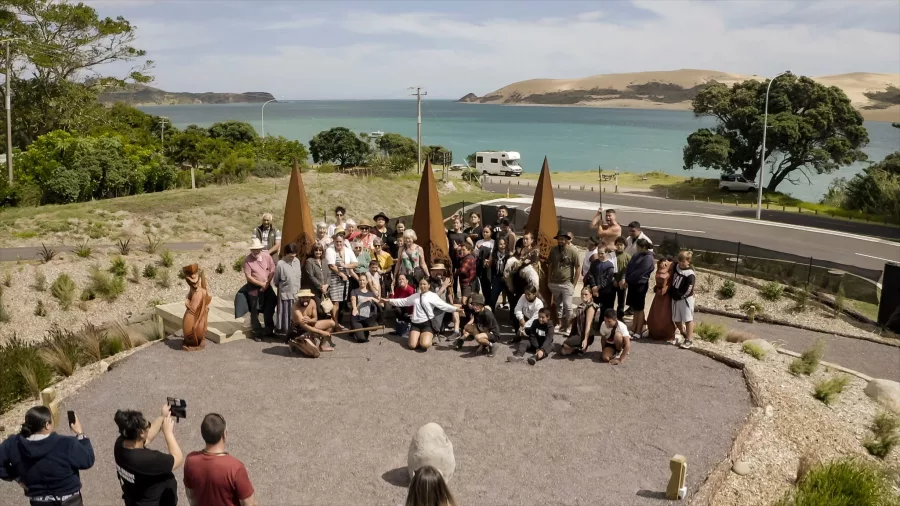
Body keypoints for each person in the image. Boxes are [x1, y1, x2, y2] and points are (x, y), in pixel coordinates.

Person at [0, 406, 94, 506]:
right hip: (70, 501)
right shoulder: (67, 443)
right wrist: (80, 434)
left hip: (38, 502)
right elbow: (88, 460)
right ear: (47, 425)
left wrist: (17, 477)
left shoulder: (13, 443)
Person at [113, 405, 183, 506]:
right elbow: (178, 458)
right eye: (148, 426)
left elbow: (148, 437)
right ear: (141, 433)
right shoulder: (147, 459)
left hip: (134, 499)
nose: (149, 428)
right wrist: (168, 433)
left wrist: (162, 417)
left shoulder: (120, 444)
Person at [183, 414, 256, 506]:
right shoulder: (235, 468)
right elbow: (250, 504)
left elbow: (191, 495)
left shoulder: (190, 461)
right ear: (224, 435)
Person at [383, 277, 462, 351]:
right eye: (421, 284)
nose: (422, 286)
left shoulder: (432, 296)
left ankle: (430, 336)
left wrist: (456, 309)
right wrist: (388, 301)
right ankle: (421, 336)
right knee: (412, 346)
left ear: (428, 285)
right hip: (415, 323)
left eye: (424, 284)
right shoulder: (415, 296)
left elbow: (443, 306)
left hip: (427, 324)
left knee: (424, 345)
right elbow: (403, 301)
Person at [242, 238, 276, 339]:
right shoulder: (247, 260)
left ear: (261, 249)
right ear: (251, 250)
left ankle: (269, 329)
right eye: (253, 249)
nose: (256, 251)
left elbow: (272, 269)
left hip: (267, 285)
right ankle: (256, 332)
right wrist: (261, 284)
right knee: (254, 310)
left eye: (257, 249)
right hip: (254, 287)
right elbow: (249, 277)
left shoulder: (267, 256)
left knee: (271, 304)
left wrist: (267, 283)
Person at [622, 238, 655, 340]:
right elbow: (629, 267)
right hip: (632, 284)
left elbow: (640, 272)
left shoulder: (649, 258)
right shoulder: (637, 255)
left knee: (640, 308)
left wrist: (628, 279)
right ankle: (633, 328)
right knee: (634, 308)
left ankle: (638, 330)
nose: (636, 248)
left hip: (640, 284)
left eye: (638, 247)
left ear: (644, 247)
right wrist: (625, 277)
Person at [547, 231, 580, 333]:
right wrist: (549, 280)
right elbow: (550, 265)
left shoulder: (573, 251)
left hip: (567, 283)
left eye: (562, 239)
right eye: (559, 239)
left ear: (567, 239)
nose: (560, 241)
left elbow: (578, 267)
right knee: (558, 305)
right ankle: (559, 324)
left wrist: (573, 284)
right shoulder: (553, 250)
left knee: (568, 306)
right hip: (554, 282)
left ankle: (569, 326)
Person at [326, 233, 358, 327]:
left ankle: (336, 322)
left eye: (340, 241)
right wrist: (341, 274)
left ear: (344, 241)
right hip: (334, 278)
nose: (339, 243)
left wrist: (345, 266)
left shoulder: (348, 250)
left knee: (341, 302)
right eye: (337, 241)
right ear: (334, 242)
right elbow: (331, 266)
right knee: (335, 301)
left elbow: (355, 263)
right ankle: (335, 324)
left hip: (345, 278)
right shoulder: (330, 250)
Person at [289, 289, 336, 355]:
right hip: (299, 331)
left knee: (332, 323)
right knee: (315, 354)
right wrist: (321, 332)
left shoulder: (312, 302)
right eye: (303, 297)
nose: (305, 299)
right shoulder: (295, 307)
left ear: (310, 297)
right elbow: (304, 326)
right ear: (299, 298)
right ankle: (294, 342)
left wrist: (310, 320)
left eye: (307, 297)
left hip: (310, 326)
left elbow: (315, 319)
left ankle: (321, 346)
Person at [273, 242, 302, 338]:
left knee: (295, 316)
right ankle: (285, 334)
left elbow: (299, 277)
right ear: (286, 254)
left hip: (296, 293)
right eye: (290, 256)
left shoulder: (297, 261)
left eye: (294, 256)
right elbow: (276, 281)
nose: (292, 258)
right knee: (286, 315)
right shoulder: (280, 264)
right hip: (285, 294)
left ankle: (294, 334)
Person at [561, 287, 598, 356]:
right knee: (563, 351)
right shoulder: (581, 306)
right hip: (578, 332)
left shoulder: (591, 307)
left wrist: (585, 339)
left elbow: (588, 324)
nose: (583, 296)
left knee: (565, 344)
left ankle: (581, 346)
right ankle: (579, 348)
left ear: (590, 295)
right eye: (582, 294)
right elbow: (574, 319)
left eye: (586, 294)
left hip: (584, 335)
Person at [647, 257, 676, 342]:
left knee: (665, 315)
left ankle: (666, 333)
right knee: (656, 314)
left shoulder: (671, 268)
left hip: (666, 295)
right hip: (659, 295)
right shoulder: (661, 267)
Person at [671, 251, 697, 349]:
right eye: (680, 261)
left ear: (689, 262)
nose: (682, 263)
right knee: (676, 319)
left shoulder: (690, 274)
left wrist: (681, 296)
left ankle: (689, 340)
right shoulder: (677, 267)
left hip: (685, 300)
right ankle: (683, 332)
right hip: (675, 299)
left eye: (684, 261)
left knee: (688, 319)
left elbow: (689, 288)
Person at [350, 273, 380, 343]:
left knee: (375, 327)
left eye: (363, 280)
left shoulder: (370, 293)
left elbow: (380, 303)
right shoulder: (354, 291)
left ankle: (363, 327)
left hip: (366, 317)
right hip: (356, 318)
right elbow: (353, 299)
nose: (362, 282)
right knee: (361, 340)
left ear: (367, 282)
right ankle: (354, 328)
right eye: (360, 280)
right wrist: (354, 308)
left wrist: (372, 298)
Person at [586, 246, 616, 314]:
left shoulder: (609, 265)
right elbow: (591, 275)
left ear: (606, 253)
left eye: (602, 253)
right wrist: (593, 286)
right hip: (594, 290)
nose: (600, 255)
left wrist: (599, 287)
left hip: (605, 291)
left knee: (604, 310)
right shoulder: (594, 263)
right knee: (592, 308)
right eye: (598, 253)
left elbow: (608, 279)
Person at [302, 244, 330, 312]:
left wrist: (327, 285)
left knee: (327, 309)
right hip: (315, 291)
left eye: (320, 250)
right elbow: (311, 276)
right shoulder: (309, 261)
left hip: (326, 290)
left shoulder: (324, 261)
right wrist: (321, 286)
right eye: (316, 250)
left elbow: (329, 274)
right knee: (319, 310)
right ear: (313, 251)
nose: (318, 252)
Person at [487, 237, 511, 310]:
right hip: (497, 278)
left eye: (504, 244)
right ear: (497, 245)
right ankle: (491, 316)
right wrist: (487, 263)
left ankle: (512, 318)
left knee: (511, 298)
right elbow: (489, 264)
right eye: (500, 244)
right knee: (493, 298)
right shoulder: (494, 254)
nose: (502, 246)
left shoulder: (509, 254)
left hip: (507, 279)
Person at [390, 273, 415, 338]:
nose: (401, 281)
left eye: (403, 279)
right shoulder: (398, 289)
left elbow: (414, 303)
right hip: (402, 309)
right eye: (399, 279)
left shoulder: (410, 290)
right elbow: (393, 301)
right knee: (396, 309)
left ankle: (406, 330)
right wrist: (392, 292)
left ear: (407, 281)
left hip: (410, 310)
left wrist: (413, 313)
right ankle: (399, 330)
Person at [612, 237, 631, 320]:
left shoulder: (628, 257)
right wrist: (613, 280)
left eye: (621, 245)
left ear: (625, 246)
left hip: (622, 283)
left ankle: (620, 317)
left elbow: (629, 271)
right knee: (610, 300)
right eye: (617, 244)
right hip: (612, 282)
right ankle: (610, 316)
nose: (619, 246)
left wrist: (624, 280)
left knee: (621, 301)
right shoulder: (611, 255)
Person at [474, 225, 494, 299]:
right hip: (479, 264)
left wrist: (482, 248)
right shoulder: (479, 241)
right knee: (480, 283)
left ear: (491, 233)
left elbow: (492, 253)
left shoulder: (493, 242)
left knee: (488, 284)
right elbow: (476, 253)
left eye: (487, 232)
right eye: (483, 232)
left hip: (488, 266)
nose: (485, 233)